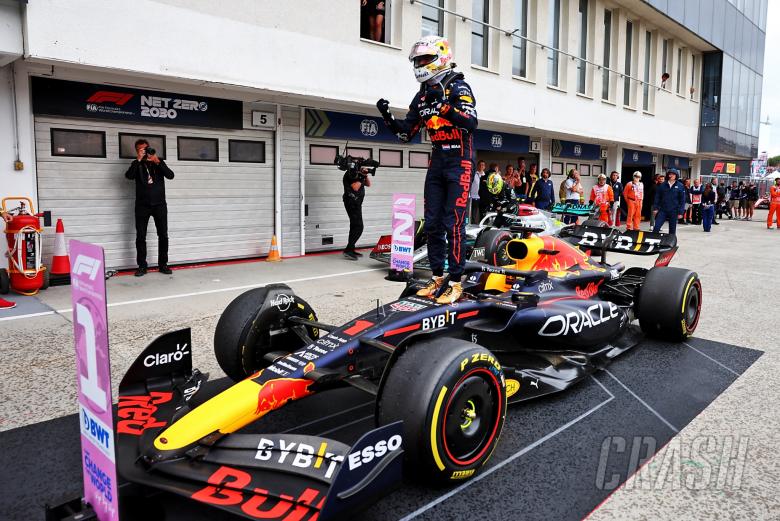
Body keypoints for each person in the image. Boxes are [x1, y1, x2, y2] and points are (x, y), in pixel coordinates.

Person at [376, 35, 477, 304]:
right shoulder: (421, 96)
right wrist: (388, 118)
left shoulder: (458, 87)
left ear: (440, 58)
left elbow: (471, 122)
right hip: (437, 161)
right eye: (417, 60)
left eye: (424, 59)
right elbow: (406, 134)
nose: (420, 64)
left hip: (460, 160)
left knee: (453, 223)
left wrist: (443, 107)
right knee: (431, 224)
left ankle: (455, 281)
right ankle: (436, 277)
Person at [125, 139, 175, 276]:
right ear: (137, 151)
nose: (145, 151)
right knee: (141, 237)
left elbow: (171, 176)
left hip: (159, 205)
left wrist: (157, 161)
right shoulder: (136, 164)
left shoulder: (158, 162)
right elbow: (128, 176)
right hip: (142, 206)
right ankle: (142, 266)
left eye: (146, 149)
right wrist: (139, 160)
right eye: (141, 150)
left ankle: (163, 264)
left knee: (163, 235)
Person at [342, 163, 372, 260]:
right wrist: (361, 176)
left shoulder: (359, 176)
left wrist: (365, 175)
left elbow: (368, 184)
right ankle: (348, 250)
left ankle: (350, 249)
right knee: (359, 226)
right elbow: (355, 187)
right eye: (362, 168)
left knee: (354, 226)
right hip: (351, 202)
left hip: (357, 203)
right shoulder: (350, 174)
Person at [652, 168, 686, 235]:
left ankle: (672, 244)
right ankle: (654, 241)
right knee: (656, 227)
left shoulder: (680, 186)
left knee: (672, 229)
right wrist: (655, 208)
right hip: (663, 210)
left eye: (673, 174)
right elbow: (657, 197)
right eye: (670, 174)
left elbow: (682, 200)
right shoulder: (662, 185)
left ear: (676, 175)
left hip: (674, 211)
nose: (671, 175)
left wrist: (681, 212)